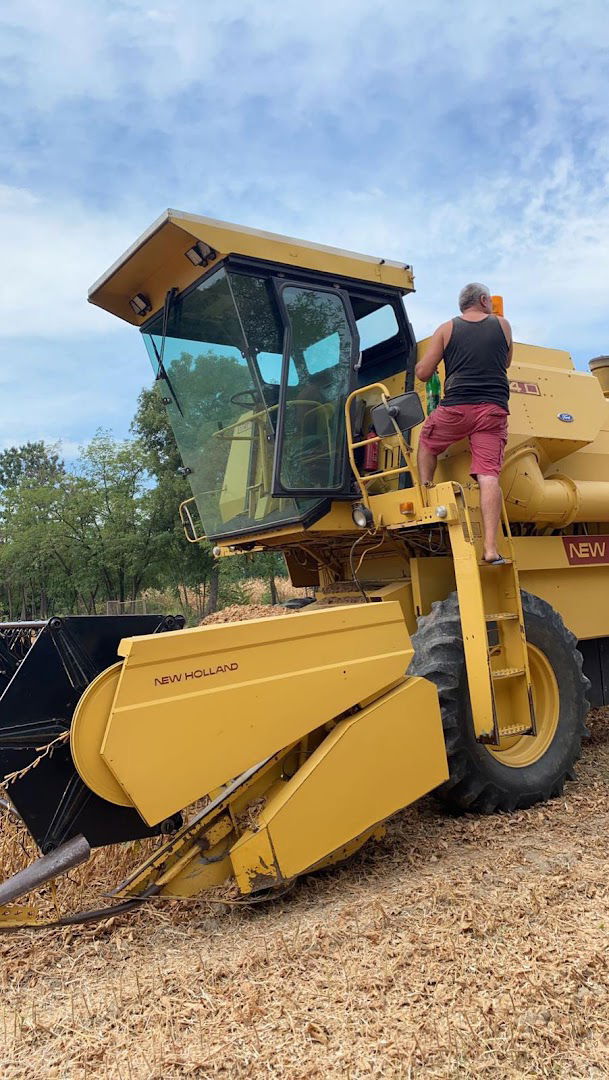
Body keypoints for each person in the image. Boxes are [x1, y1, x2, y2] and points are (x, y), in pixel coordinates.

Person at [415, 282, 513, 565]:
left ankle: (426, 492)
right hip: (493, 410)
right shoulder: (503, 325)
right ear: (484, 300)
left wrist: (437, 363)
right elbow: (505, 362)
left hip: (456, 408)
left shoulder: (447, 328)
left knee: (428, 440)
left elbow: (422, 373)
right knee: (489, 475)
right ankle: (491, 549)